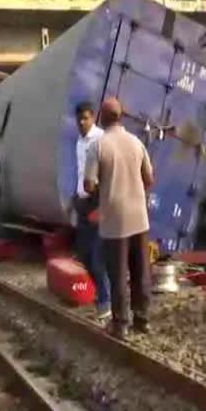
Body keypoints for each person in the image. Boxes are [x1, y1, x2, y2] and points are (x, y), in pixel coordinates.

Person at [84, 97, 154, 340]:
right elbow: (149, 178)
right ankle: (143, 320)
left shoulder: (98, 145)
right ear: (121, 116)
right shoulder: (136, 142)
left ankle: (121, 324)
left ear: (102, 118)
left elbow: (89, 184)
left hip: (114, 220)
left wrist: (103, 189)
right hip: (140, 218)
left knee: (117, 273)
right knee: (140, 270)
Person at [71, 102, 110, 319]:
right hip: (83, 203)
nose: (82, 122)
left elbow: (105, 176)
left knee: (97, 256)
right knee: (84, 255)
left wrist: (101, 205)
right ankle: (103, 295)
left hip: (97, 204)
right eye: (79, 119)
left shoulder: (100, 139)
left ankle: (106, 301)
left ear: (93, 118)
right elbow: (80, 173)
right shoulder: (79, 141)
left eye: (86, 118)